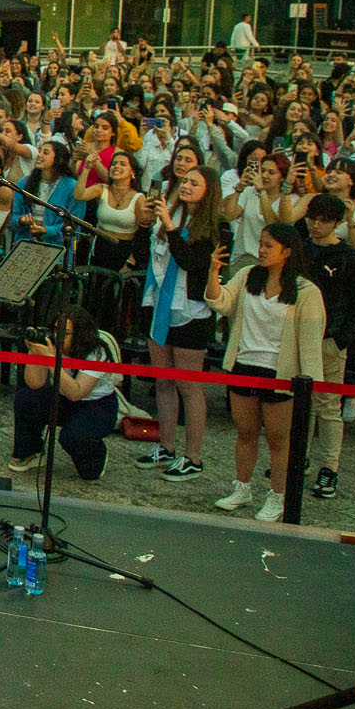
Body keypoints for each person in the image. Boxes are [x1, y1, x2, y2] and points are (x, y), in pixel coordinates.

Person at [204, 222, 326, 522]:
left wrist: (312, 385)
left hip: (281, 372)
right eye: (260, 243)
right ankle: (241, 487)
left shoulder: (305, 291)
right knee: (245, 432)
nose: (261, 249)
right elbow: (219, 301)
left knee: (278, 438)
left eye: (269, 245)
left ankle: (277, 496)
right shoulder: (247, 276)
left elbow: (311, 342)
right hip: (245, 363)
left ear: (287, 251)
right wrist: (212, 272)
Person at [135, 165, 222, 483]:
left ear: (208, 190)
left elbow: (191, 261)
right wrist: (146, 223)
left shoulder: (214, 227)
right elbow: (145, 256)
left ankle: (193, 457)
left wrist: (169, 226)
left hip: (189, 311)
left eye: (194, 183)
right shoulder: (169, 217)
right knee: (163, 382)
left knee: (188, 385)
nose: (185, 186)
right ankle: (166, 446)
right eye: (184, 181)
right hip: (159, 307)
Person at [301, 194, 355, 500]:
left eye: (324, 220)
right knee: (296, 403)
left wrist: (338, 341)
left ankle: (329, 467)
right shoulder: (298, 249)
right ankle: (297, 457)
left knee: (328, 405)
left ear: (337, 223)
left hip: (329, 340)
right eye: (312, 218)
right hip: (297, 336)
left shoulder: (349, 259)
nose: (316, 225)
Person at [10, 308, 120, 480]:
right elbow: (35, 383)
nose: (57, 336)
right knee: (26, 398)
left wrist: (52, 361)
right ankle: (30, 451)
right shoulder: (52, 346)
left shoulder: (97, 352)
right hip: (63, 398)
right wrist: (34, 354)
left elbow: (77, 393)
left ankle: (97, 455)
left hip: (97, 404)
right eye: (55, 330)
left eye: (65, 333)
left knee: (72, 437)